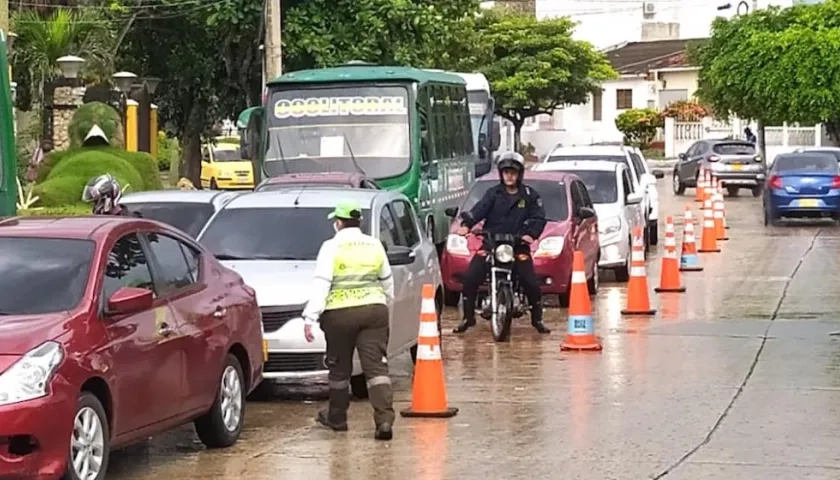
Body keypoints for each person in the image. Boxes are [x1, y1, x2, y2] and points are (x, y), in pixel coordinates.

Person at [301, 200, 396, 441]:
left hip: (339, 314)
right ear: (359, 222)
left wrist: (310, 317)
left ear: (339, 223)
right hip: (374, 310)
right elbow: (387, 281)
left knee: (339, 368)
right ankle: (384, 420)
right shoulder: (374, 244)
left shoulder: (331, 247)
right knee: (376, 368)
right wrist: (384, 304)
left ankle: (338, 418)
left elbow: (322, 283)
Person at [453, 151, 550, 334]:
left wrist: (530, 234)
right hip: (492, 243)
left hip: (518, 245)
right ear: (501, 174)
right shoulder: (493, 194)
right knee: (471, 277)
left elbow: (538, 218)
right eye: (506, 172)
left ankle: (537, 319)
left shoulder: (530, 195)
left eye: (513, 172)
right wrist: (466, 224)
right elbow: (478, 211)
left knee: (531, 282)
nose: (509, 176)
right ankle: (468, 318)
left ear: (519, 174)